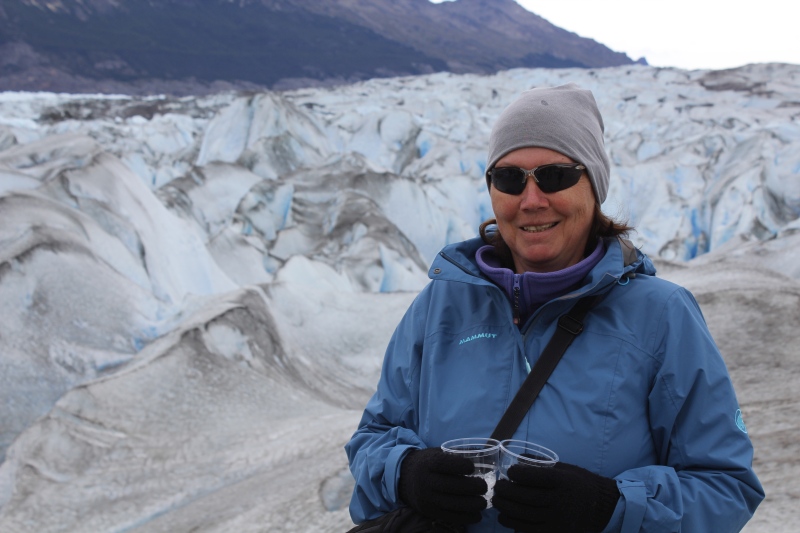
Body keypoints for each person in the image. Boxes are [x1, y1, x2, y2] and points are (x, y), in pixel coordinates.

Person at [345, 83, 764, 532]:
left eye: (555, 175)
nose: (531, 200)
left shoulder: (661, 317)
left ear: (594, 185)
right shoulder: (440, 307)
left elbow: (726, 486)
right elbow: (372, 438)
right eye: (508, 179)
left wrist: (609, 507)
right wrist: (407, 473)